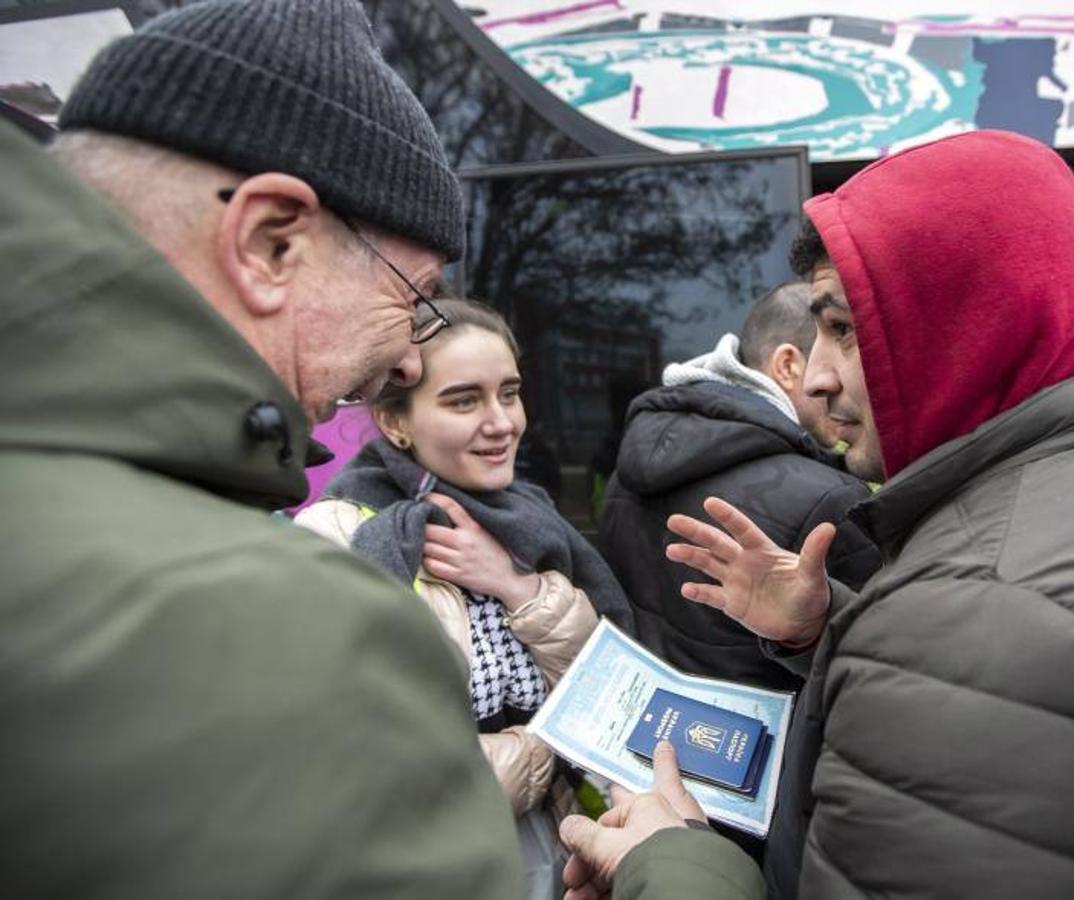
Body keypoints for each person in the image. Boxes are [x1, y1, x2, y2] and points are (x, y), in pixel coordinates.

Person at [559, 130, 1074, 899]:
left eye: (843, 329)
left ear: (970, 324)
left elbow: (984, 654)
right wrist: (829, 629)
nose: (815, 378)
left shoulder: (974, 620)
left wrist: (671, 859)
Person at [0, 1, 526, 896]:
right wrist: (680, 871)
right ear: (270, 240)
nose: (409, 354)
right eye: (415, 292)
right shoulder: (303, 631)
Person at [295, 299, 632, 897]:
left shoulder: (532, 523)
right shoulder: (338, 536)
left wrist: (517, 587)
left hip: (555, 853)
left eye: (509, 392)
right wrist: (547, 747)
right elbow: (362, 761)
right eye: (463, 400)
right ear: (396, 423)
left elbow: (608, 686)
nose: (502, 422)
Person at [600, 282, 880, 694]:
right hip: (767, 749)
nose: (835, 384)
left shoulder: (629, 461)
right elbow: (873, 673)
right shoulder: (832, 499)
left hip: (640, 725)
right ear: (787, 365)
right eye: (833, 351)